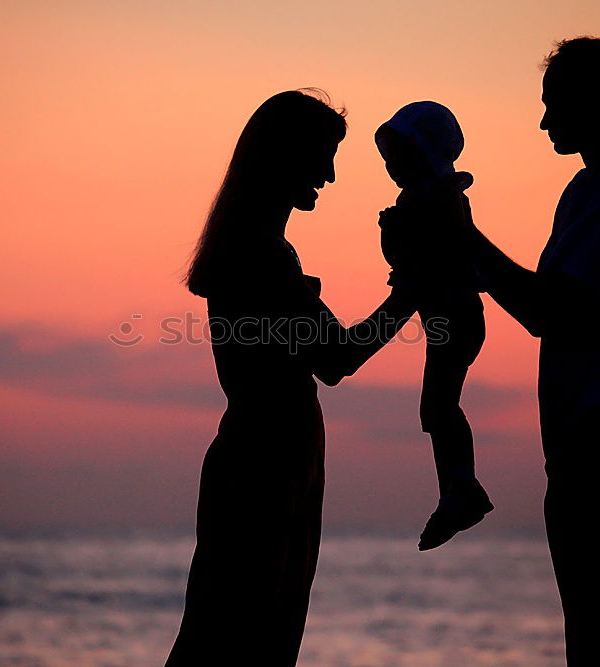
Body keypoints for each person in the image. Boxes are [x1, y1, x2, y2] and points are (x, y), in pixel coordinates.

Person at [453, 38, 600, 664]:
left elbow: (549, 311)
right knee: (599, 630)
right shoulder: (588, 189)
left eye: (554, 105)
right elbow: (543, 299)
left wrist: (465, 236)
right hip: (593, 435)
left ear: (597, 103)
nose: (544, 121)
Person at [166, 89, 418, 666]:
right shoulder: (263, 256)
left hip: (270, 463)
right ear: (284, 156)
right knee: (245, 640)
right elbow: (337, 358)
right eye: (322, 156)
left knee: (231, 634)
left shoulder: (258, 251)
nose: (329, 176)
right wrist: (411, 291)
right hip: (267, 468)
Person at [374, 102, 493, 551]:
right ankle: (459, 489)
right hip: (442, 317)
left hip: (457, 316)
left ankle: (462, 490)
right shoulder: (417, 202)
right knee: (438, 405)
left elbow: (439, 258)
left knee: (439, 405)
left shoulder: (442, 201)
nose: (392, 169)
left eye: (400, 157)